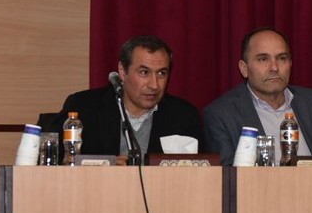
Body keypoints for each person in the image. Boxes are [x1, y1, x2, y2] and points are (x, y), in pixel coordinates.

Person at [204, 27, 312, 165]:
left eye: (281, 58)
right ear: (244, 69)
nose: (274, 67)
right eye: (263, 59)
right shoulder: (222, 114)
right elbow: (226, 176)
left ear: (290, 64)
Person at [47, 35, 203, 156]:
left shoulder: (184, 116)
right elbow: (55, 163)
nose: (154, 85)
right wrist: (108, 167)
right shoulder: (84, 108)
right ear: (122, 71)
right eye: (144, 72)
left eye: (161, 73)